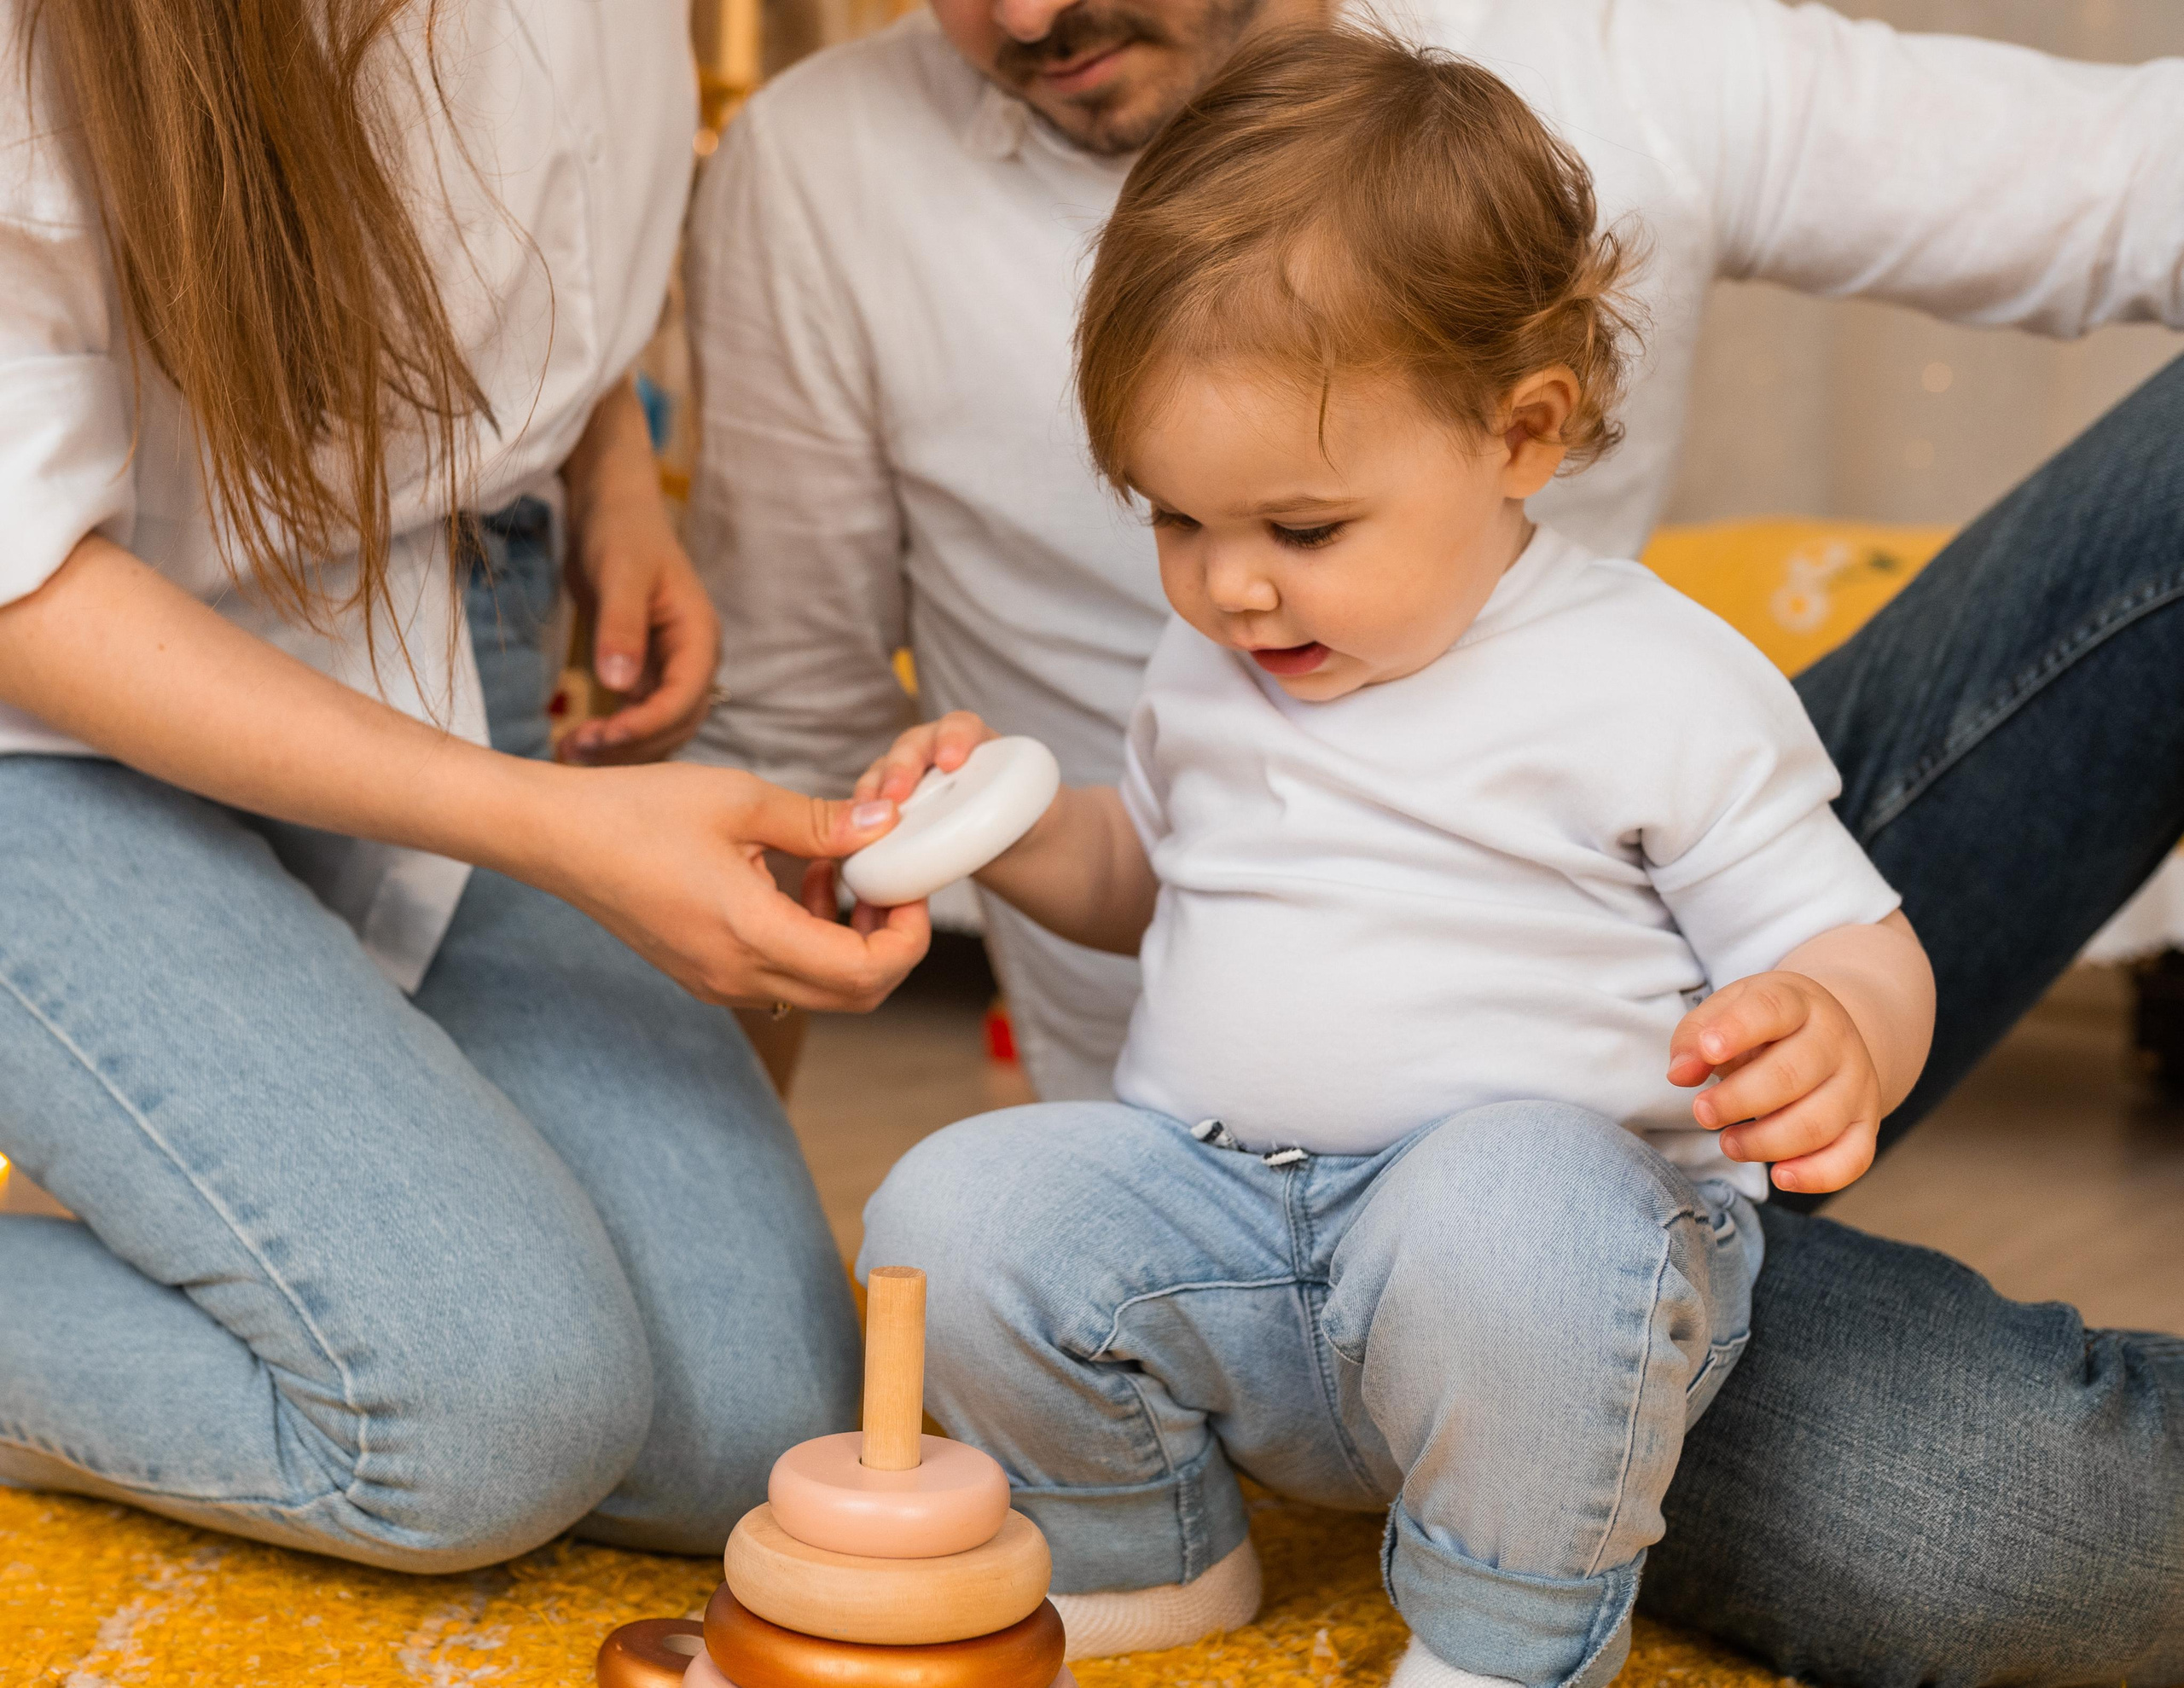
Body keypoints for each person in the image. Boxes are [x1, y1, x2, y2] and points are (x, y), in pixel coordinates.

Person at [682, 0, 2184, 1679]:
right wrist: (1001, 833)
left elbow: (1846, 937)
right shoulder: (1218, 657)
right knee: (952, 1204)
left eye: (1298, 528)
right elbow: (1142, 879)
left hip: (1545, 1265)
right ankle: (1143, 1556)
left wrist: (1836, 1035)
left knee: (1510, 1200)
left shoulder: (1649, 680)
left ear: (1520, 433)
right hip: (1232, 1222)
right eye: (1170, 519)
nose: (1225, 583)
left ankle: (1498, 1636)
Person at [0, 0, 925, 1570]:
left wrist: (607, 475)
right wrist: (554, 826)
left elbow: (534, 205)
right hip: (56, 725)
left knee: (751, 1433)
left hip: (450, 619)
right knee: (482, 1420)